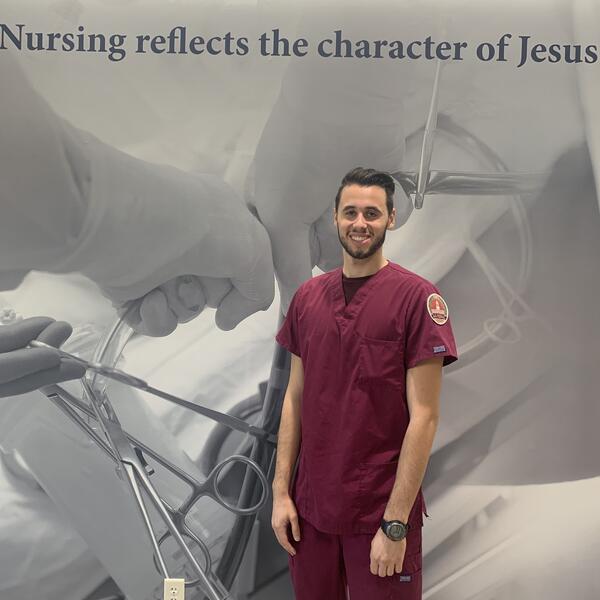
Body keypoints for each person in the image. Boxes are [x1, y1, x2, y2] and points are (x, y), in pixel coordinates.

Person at [271, 167, 458, 599]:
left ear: (391, 218)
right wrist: (282, 493)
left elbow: (425, 417)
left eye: (372, 213)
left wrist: (394, 523)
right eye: (350, 212)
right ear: (335, 217)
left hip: (379, 512)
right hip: (310, 512)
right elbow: (294, 399)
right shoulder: (307, 299)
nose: (360, 223)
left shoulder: (417, 300)